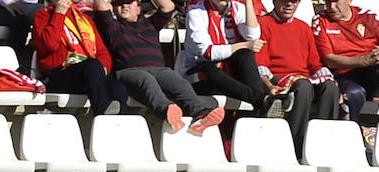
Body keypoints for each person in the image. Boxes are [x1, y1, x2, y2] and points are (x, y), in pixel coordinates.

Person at [93, 0, 224, 136]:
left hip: (159, 70)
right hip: (129, 71)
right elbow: (100, 4)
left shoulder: (150, 24)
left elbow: (168, 6)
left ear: (139, 8)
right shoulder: (112, 27)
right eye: (119, 4)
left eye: (129, 2)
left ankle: (199, 114)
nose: (124, 6)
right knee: (146, 80)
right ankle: (167, 111)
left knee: (179, 82)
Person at [258, 0, 340, 158]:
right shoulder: (263, 24)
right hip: (277, 76)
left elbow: (314, 63)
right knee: (303, 87)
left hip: (302, 77)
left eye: (294, 1)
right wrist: (268, 84)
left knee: (330, 87)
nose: (289, 4)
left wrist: (330, 80)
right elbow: (261, 63)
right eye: (285, 0)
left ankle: (321, 148)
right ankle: (296, 147)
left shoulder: (303, 28)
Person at [314, 0, 379, 126]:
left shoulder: (368, 16)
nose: (331, 7)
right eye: (328, 2)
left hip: (374, 76)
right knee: (354, 93)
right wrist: (364, 60)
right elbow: (329, 60)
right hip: (343, 76)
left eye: (336, 2)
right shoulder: (320, 20)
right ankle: (354, 133)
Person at [179, 0, 284, 117]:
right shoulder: (196, 12)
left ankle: (262, 103)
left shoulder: (238, 8)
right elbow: (208, 53)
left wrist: (248, 2)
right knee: (210, 69)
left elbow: (252, 35)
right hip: (199, 74)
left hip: (228, 74)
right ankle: (263, 101)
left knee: (245, 54)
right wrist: (244, 45)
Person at [33, 0, 129, 116]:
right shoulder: (42, 15)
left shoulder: (84, 19)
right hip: (58, 74)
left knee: (118, 88)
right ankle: (102, 114)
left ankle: (117, 127)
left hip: (87, 73)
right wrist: (59, 14)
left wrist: (102, 67)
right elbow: (49, 45)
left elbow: (103, 52)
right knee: (92, 66)